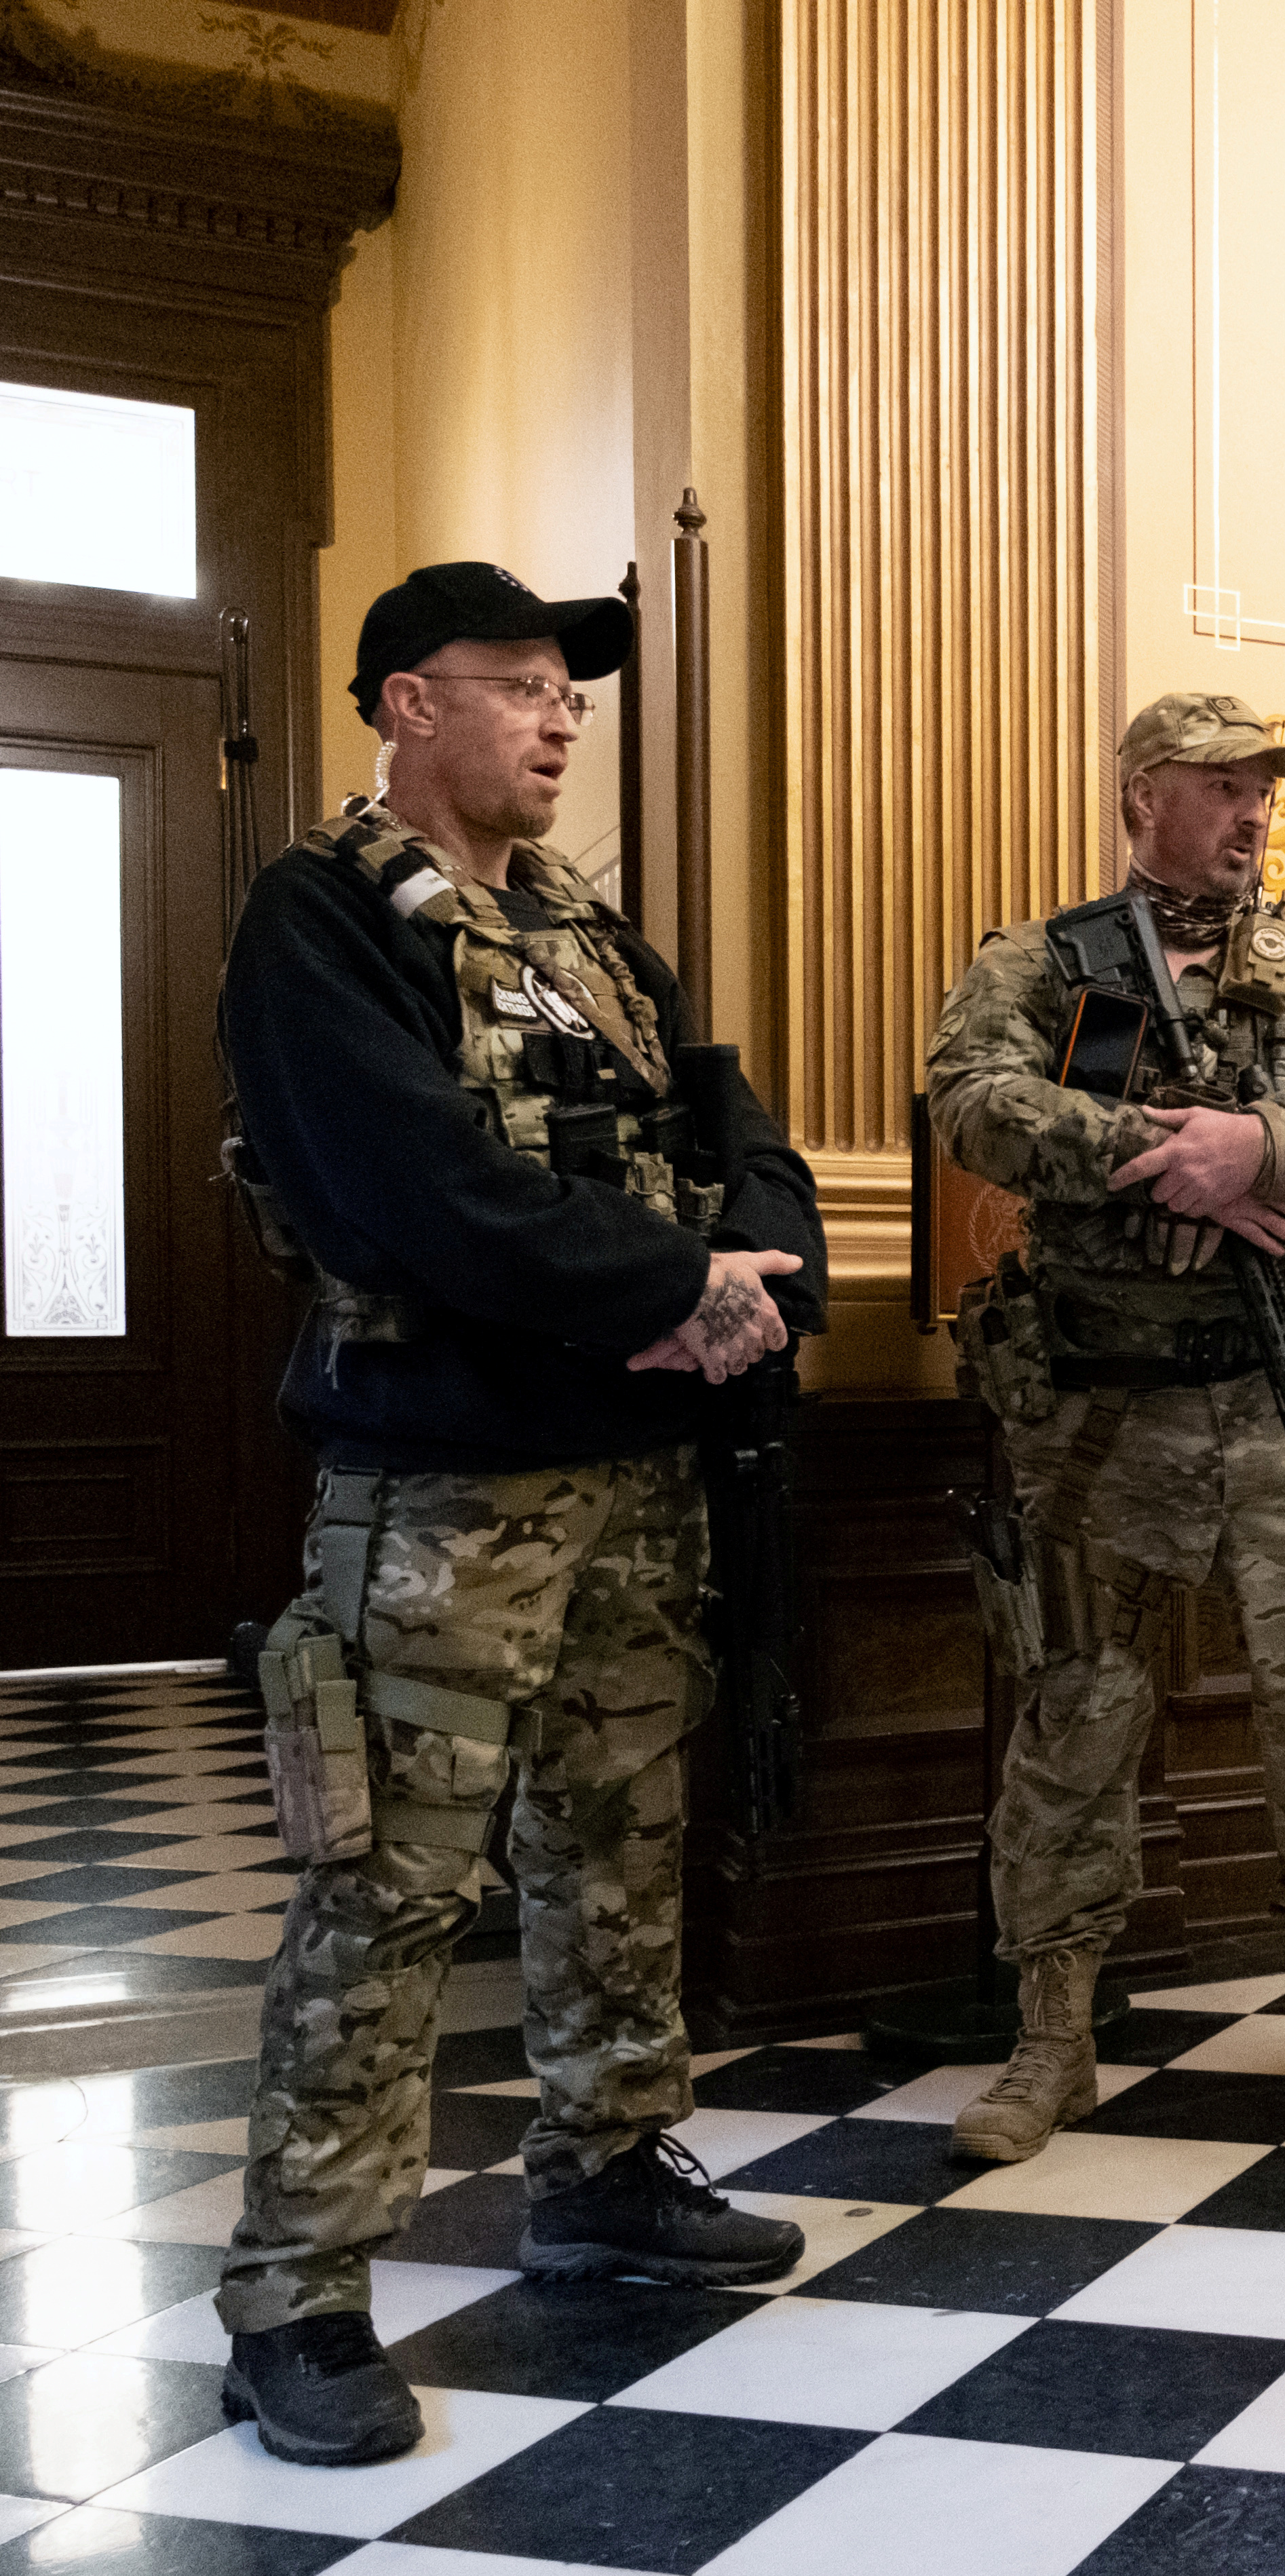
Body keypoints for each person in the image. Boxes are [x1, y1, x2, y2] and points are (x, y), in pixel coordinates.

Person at [214, 562, 828, 2465]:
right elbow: (415, 1186)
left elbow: (740, 1133)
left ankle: (608, 2164)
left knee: (618, 1835)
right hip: (443, 1489)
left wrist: (769, 1270)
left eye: (572, 692)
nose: (563, 719)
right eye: (522, 687)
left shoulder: (590, 934)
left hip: (636, 1482)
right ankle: (300, 2289)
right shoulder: (321, 922)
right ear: (408, 704)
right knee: (390, 1883)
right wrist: (670, 1292)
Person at [923, 691, 1285, 2160]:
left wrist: (1265, 1144)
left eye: (1263, 790)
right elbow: (967, 1102)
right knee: (1075, 1714)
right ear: (1141, 794)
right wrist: (1166, 1160)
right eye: (1221, 785)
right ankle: (1052, 2040)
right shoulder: (1044, 962)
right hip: (1105, 1420)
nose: (1252, 814)